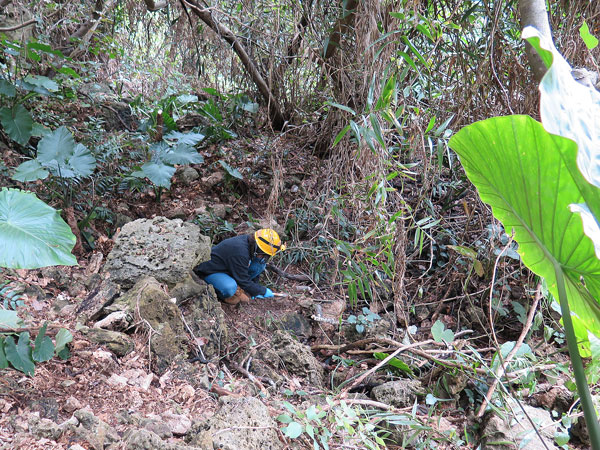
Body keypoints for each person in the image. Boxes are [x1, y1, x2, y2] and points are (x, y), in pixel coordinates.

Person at [193, 228, 286, 305]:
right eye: (264, 254)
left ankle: (241, 287)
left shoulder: (251, 243)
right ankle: (224, 295)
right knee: (229, 288)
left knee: (260, 264)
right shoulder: (240, 253)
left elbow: (252, 271)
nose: (264, 257)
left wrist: (255, 288)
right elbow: (243, 280)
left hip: (229, 268)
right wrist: (262, 291)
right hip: (211, 271)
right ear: (257, 247)